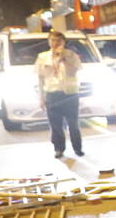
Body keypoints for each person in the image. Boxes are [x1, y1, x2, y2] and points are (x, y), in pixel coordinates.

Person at [35, 30, 83, 159]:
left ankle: (78, 148)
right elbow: (40, 78)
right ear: (49, 42)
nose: (55, 43)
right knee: (55, 125)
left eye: (58, 41)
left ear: (64, 42)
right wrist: (41, 98)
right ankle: (59, 149)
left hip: (69, 94)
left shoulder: (71, 55)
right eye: (53, 40)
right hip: (52, 94)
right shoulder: (42, 57)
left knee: (73, 124)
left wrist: (64, 58)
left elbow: (72, 72)